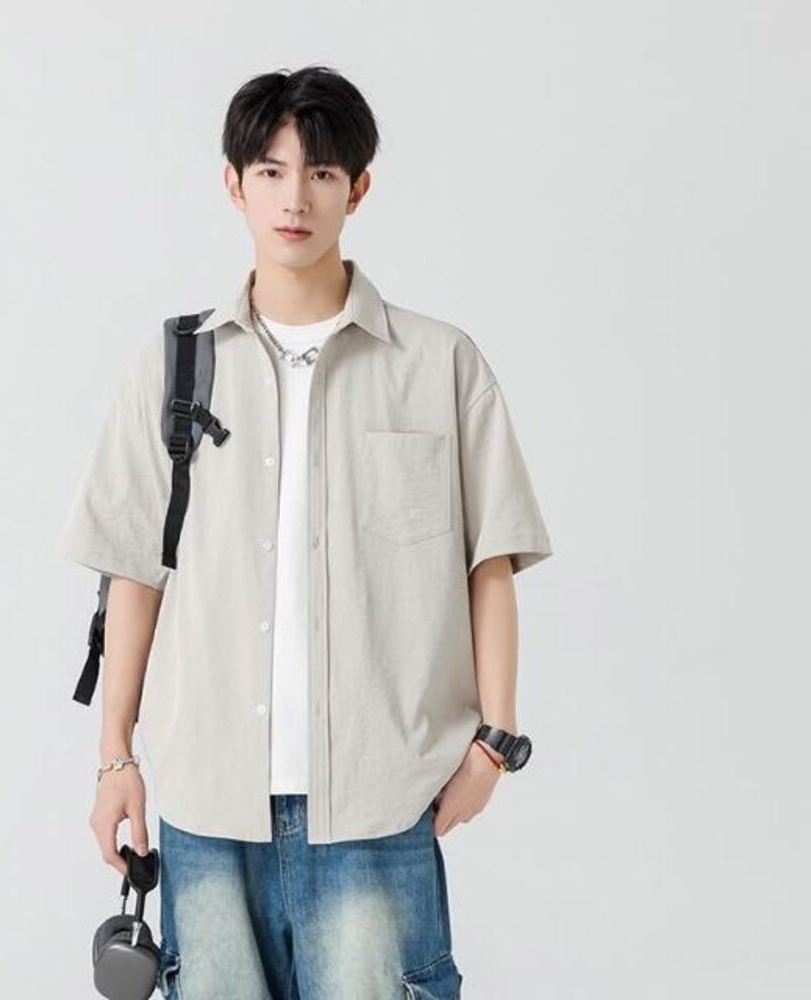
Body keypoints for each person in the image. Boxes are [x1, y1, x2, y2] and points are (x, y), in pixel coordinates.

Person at [60, 64, 553, 1000]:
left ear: (358, 189)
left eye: (322, 173)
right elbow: (134, 574)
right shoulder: (171, 368)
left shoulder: (439, 364)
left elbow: (489, 561)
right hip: (208, 804)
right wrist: (115, 757)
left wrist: (495, 743)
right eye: (272, 171)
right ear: (233, 182)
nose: (296, 198)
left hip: (378, 800)